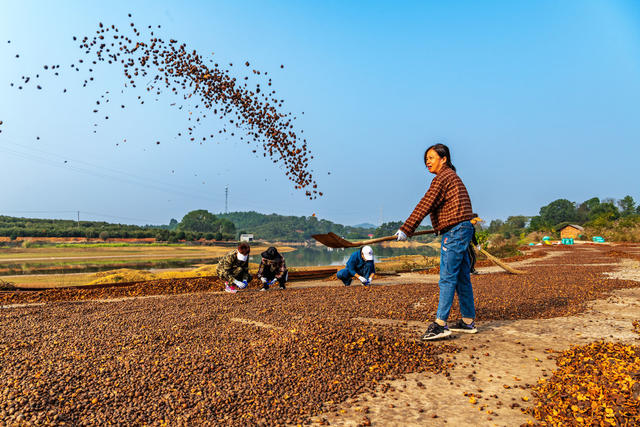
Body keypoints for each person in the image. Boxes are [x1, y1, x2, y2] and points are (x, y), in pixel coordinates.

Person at [395, 143, 478, 340]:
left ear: (444, 159)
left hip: (456, 231)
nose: (427, 162)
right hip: (463, 229)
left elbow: (425, 203)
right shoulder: (452, 178)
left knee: (447, 277)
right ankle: (468, 321)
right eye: (426, 159)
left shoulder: (443, 178)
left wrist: (406, 229)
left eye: (431, 158)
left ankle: (440, 324)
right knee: (461, 277)